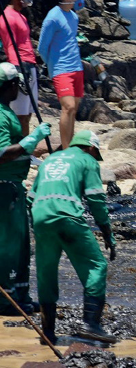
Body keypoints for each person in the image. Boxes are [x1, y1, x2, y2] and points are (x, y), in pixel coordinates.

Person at [29, 129, 116, 344]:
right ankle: (91, 325)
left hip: (40, 217)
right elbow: (96, 199)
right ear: (91, 148)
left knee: (46, 273)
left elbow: (30, 198)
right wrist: (107, 234)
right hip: (67, 217)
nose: (95, 158)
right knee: (97, 266)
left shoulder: (50, 160)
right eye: (96, 154)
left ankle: (48, 332)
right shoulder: (88, 160)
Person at [0, 63, 51, 316]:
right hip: (3, 188)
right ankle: (6, 299)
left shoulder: (6, 112)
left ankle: (21, 294)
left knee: (21, 245)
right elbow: (1, 154)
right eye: (14, 85)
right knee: (7, 245)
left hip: (15, 188)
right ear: (7, 86)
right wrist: (33, 139)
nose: (18, 89)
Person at [38, 0, 85, 149]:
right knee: (68, 106)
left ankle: (70, 145)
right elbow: (42, 47)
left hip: (77, 68)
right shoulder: (52, 17)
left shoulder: (73, 16)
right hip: (61, 69)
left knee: (74, 109)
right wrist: (51, 67)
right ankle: (66, 149)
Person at [0, 0, 39, 135]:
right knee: (20, 115)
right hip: (21, 67)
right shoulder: (7, 17)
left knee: (29, 113)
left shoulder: (22, 16)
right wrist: (18, 72)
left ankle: (26, 151)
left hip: (31, 66)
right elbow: (10, 46)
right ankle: (20, 152)